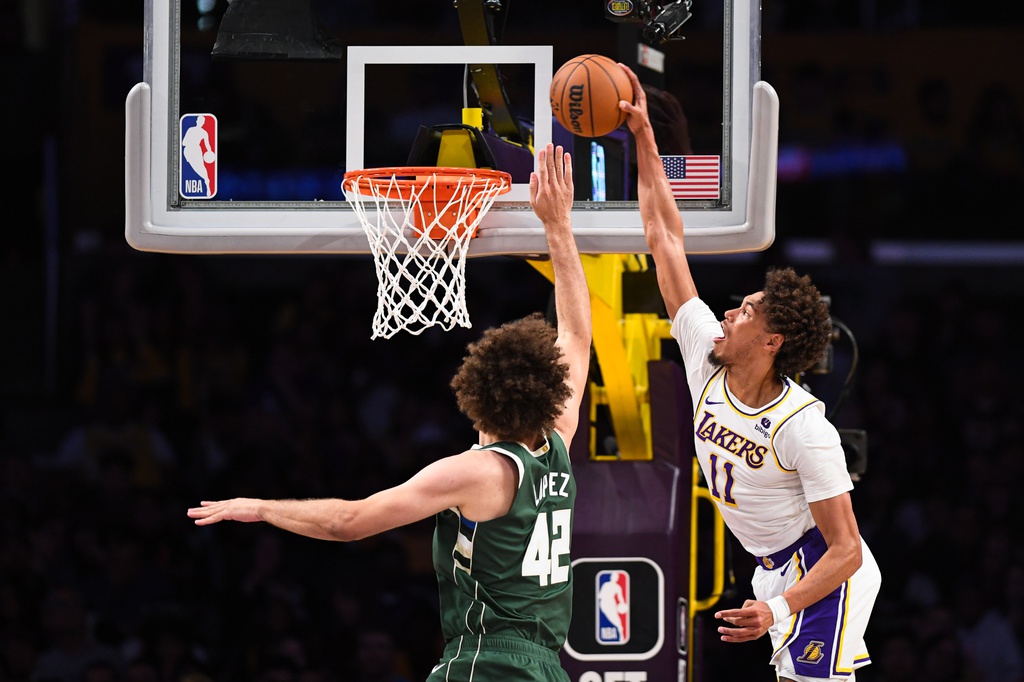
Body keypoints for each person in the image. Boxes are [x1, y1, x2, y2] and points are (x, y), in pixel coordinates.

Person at [187, 143, 590, 682]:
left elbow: (347, 523)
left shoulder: (475, 471)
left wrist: (261, 507)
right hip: (549, 668)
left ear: (474, 393)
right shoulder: (558, 445)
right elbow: (577, 335)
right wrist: (559, 226)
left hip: (487, 663)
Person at [617, 64, 882, 682]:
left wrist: (780, 607)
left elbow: (846, 549)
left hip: (822, 569)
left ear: (771, 340)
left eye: (747, 311)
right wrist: (644, 138)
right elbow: (664, 238)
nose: (730, 311)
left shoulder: (803, 427)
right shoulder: (703, 353)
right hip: (772, 565)